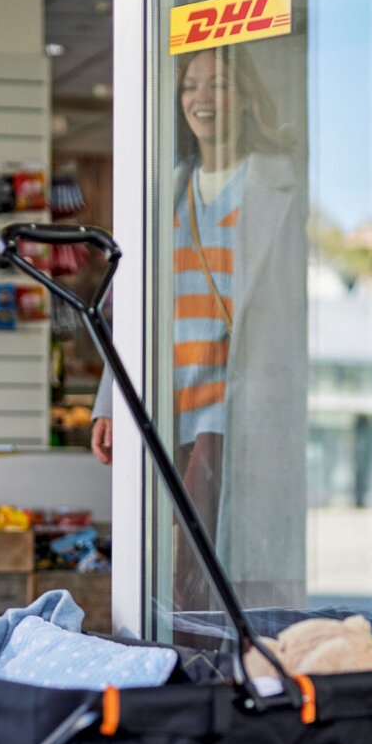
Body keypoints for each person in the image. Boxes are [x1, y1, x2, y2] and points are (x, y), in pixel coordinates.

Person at [90, 46, 307, 611]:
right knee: (176, 559)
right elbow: (127, 311)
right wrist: (110, 403)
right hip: (170, 401)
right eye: (191, 86)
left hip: (240, 402)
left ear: (248, 97)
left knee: (217, 562)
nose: (203, 99)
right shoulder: (163, 196)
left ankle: (229, 667)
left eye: (220, 84)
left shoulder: (283, 187)